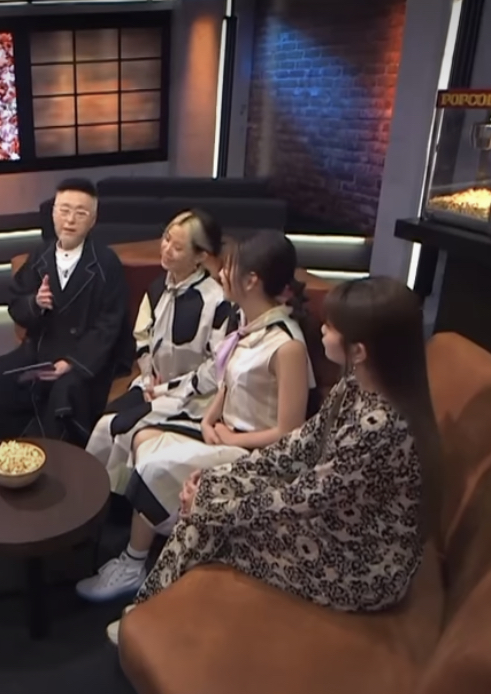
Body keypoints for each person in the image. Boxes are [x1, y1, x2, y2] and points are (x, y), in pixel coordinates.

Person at [115, 276, 443, 643]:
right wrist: (214, 476)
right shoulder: (355, 385)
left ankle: (146, 619)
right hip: (335, 521)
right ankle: (152, 612)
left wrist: (211, 506)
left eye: (331, 326)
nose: (322, 329)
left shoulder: (379, 426)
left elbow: (307, 497)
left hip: (361, 564)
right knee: (212, 491)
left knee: (210, 522)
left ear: (359, 351)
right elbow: (297, 448)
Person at [76, 230, 314, 613]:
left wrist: (231, 440)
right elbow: (226, 381)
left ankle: (137, 563)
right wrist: (210, 420)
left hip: (256, 450)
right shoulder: (248, 324)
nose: (220, 274)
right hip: (222, 431)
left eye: (229, 268)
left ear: (251, 280)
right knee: (141, 437)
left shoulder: (287, 345)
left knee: (154, 464)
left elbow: (290, 432)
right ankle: (136, 552)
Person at [0, 178, 132, 446]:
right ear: (53, 213)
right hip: (41, 351)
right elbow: (15, 304)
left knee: (65, 393)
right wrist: (35, 303)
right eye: (64, 210)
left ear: (93, 220)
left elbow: (109, 325)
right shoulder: (40, 256)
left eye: (80, 213)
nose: (70, 220)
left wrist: (72, 363)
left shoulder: (106, 263)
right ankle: (12, 449)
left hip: (87, 358)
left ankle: (53, 459)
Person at [85, 210, 235, 493]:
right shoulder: (158, 288)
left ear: (200, 256)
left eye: (177, 247)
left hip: (192, 398)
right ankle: (91, 494)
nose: (166, 249)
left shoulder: (218, 302)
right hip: (151, 384)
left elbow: (215, 368)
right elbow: (142, 335)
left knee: (120, 428)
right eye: (166, 239)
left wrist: (166, 389)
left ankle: (113, 502)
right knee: (104, 422)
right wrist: (148, 373)